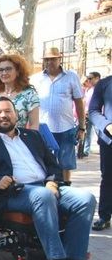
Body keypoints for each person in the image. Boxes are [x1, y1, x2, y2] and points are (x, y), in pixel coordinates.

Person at [0, 96, 97, 260]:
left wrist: (52, 182)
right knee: (42, 196)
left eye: (8, 111)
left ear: (16, 115)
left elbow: (53, 166)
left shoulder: (33, 136)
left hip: (46, 187)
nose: (3, 115)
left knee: (85, 199)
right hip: (13, 193)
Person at [32, 47, 84, 182]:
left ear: (59, 59)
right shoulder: (36, 79)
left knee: (66, 162)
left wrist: (82, 126)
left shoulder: (71, 77)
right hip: (43, 127)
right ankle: (48, 186)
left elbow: (79, 102)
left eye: (53, 59)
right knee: (44, 160)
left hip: (65, 126)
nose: (50, 62)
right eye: (47, 59)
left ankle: (66, 187)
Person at [0, 54, 40, 131]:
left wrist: (29, 141)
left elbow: (34, 125)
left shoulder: (29, 94)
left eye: (8, 69)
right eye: (1, 70)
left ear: (18, 71)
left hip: (16, 140)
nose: (4, 73)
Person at [89, 75, 112, 231]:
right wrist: (106, 125)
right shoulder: (104, 83)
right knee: (109, 177)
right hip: (109, 140)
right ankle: (104, 216)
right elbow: (93, 111)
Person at [78, 72, 100, 158]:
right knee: (87, 133)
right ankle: (85, 151)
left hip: (97, 114)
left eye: (91, 79)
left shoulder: (99, 89)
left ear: (97, 78)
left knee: (100, 132)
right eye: (88, 79)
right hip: (88, 113)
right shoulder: (88, 90)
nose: (89, 81)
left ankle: (105, 148)